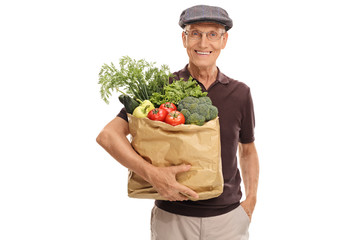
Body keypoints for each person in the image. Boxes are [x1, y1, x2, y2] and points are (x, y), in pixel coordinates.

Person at [96, 4, 259, 240]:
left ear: (224, 41)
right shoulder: (162, 87)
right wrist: (151, 173)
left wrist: (251, 202)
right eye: (195, 33)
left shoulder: (240, 93)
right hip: (172, 219)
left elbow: (247, 150)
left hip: (228, 220)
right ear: (184, 39)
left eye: (212, 34)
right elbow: (108, 136)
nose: (203, 44)